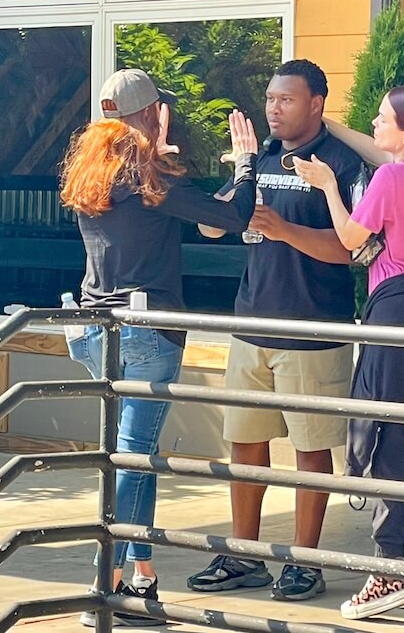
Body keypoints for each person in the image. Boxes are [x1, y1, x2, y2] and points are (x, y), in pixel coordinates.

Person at [60, 68, 258, 628]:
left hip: (96, 330)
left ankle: (140, 573)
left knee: (133, 456)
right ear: (152, 114)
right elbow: (232, 215)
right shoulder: (150, 173)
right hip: (146, 333)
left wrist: (162, 157)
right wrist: (245, 165)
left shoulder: (94, 169)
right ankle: (106, 581)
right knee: (133, 456)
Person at [293, 84, 404, 620]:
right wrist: (332, 127)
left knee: (390, 439)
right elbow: (384, 154)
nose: (374, 123)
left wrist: (328, 185)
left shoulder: (392, 178)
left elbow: (352, 238)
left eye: (382, 118)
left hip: (394, 312)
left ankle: (388, 572)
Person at [187, 59, 361, 602]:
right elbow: (209, 226)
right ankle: (244, 555)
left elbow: (352, 248)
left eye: (286, 99)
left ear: (316, 104)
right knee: (244, 443)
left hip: (313, 329)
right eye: (269, 98)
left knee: (310, 450)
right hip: (251, 324)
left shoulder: (340, 163)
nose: (273, 109)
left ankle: (306, 562)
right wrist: (239, 177)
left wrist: (284, 230)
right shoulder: (260, 157)